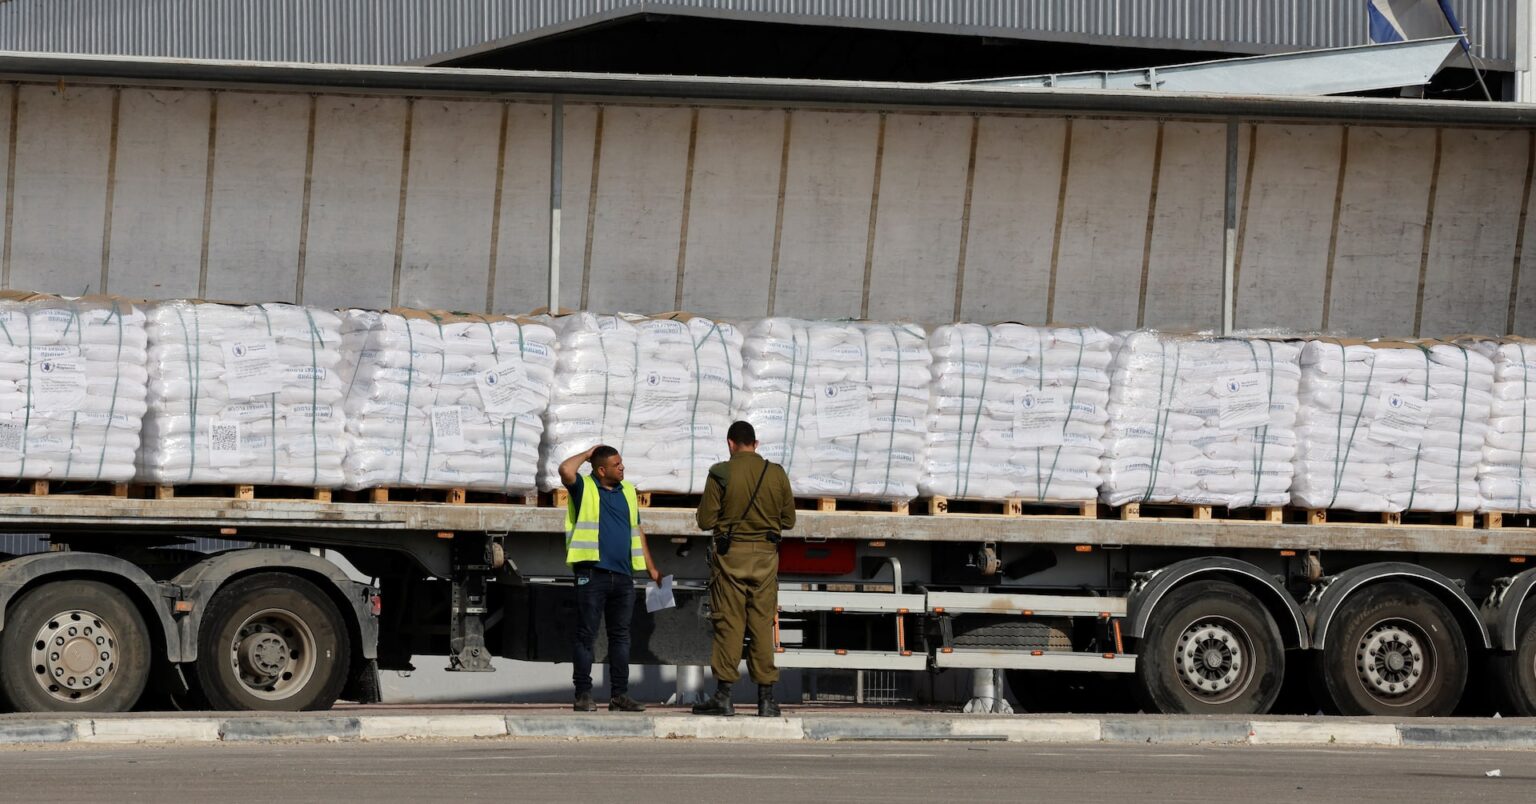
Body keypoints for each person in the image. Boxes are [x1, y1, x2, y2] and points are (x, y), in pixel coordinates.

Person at [691, 420, 795, 717]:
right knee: (762, 626)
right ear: (755, 443)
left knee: (729, 626)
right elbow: (788, 521)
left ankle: (724, 697)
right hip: (766, 560)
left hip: (730, 559)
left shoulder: (721, 473)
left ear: (729, 443)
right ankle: (766, 700)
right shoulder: (775, 473)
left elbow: (705, 520)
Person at [559, 444, 661, 713]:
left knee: (621, 638)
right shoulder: (584, 488)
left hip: (623, 577)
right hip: (592, 574)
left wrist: (651, 568)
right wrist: (587, 454)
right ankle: (583, 694)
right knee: (586, 636)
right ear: (601, 470)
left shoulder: (628, 491)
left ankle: (619, 695)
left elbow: (637, 530)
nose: (623, 467)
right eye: (617, 465)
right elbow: (565, 470)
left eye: (622, 463)